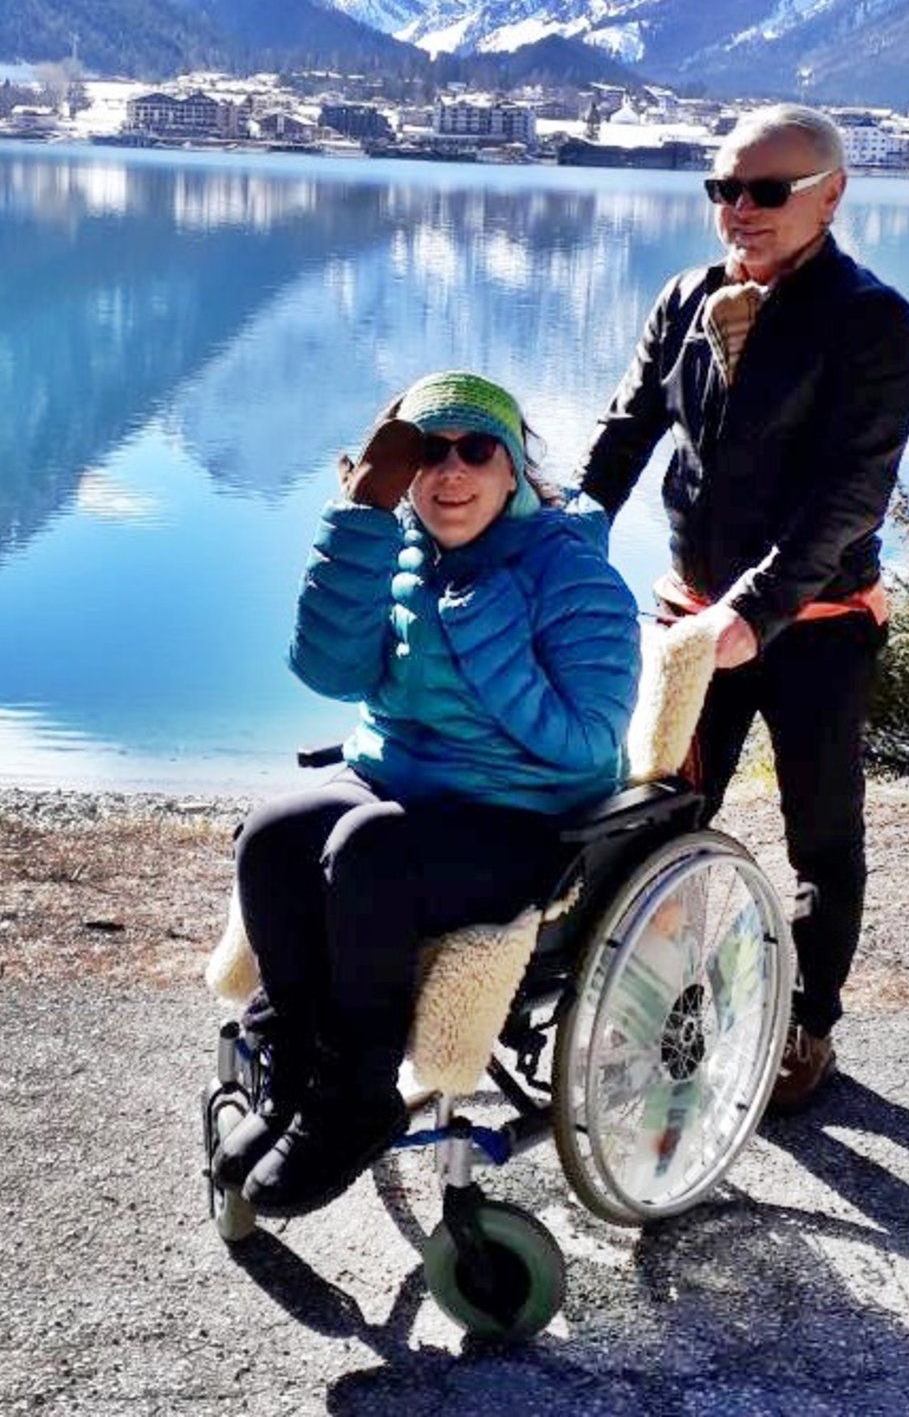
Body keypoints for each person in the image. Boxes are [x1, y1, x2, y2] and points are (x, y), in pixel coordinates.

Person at [216, 370, 641, 1217]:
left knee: (367, 853)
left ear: (513, 468)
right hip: (396, 784)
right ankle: (296, 1069)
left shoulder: (572, 574)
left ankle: (355, 1096)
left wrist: (483, 624)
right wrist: (361, 524)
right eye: (425, 453)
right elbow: (329, 671)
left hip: (525, 817)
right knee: (271, 835)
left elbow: (588, 740)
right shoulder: (400, 549)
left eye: (475, 450)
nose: (451, 472)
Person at [576, 105, 909, 1112]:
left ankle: (805, 1023)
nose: (738, 209)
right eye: (722, 188)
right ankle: (659, 1003)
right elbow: (625, 432)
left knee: (821, 830)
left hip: (817, 626)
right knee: (654, 818)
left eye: (765, 190)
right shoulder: (687, 296)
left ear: (831, 194)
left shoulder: (872, 320)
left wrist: (755, 610)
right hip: (689, 617)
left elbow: (851, 494)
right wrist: (555, 539)